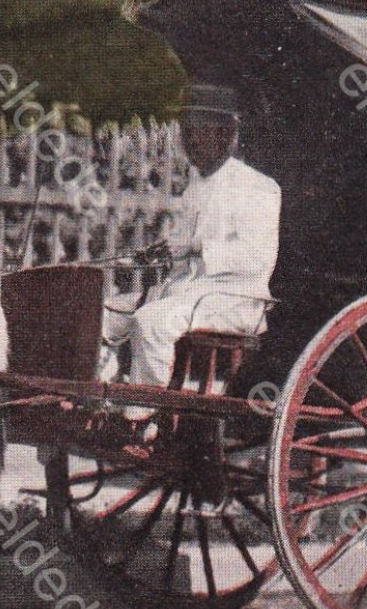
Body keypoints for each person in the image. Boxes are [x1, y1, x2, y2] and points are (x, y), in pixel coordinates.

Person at [101, 83, 281, 396]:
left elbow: (257, 259)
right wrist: (154, 254)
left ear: (225, 135)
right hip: (188, 293)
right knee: (103, 315)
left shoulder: (258, 187)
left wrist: (198, 250)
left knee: (151, 322)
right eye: (186, 132)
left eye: (199, 132)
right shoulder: (196, 184)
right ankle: (100, 399)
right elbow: (180, 246)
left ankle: (142, 416)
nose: (190, 142)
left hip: (235, 300)